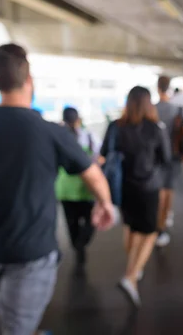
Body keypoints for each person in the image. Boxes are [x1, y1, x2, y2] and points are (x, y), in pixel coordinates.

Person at [0, 43, 115, 335]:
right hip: (30, 249)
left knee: (9, 306)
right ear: (29, 80)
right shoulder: (49, 130)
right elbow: (93, 174)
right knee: (17, 325)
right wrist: (105, 204)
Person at [102, 86, 171, 306]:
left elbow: (105, 152)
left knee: (131, 227)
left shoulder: (115, 126)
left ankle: (132, 268)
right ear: (148, 103)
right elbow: (166, 158)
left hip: (123, 186)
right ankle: (131, 276)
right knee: (150, 231)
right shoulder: (155, 127)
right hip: (149, 186)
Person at [55, 107, 102, 275]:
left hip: (65, 189)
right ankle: (82, 242)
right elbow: (98, 158)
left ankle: (77, 246)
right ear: (78, 119)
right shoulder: (89, 136)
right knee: (90, 219)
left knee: (71, 221)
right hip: (86, 187)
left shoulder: (58, 138)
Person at [155, 76, 183, 247]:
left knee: (159, 189)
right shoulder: (176, 109)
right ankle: (165, 218)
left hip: (155, 157)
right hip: (173, 155)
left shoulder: (151, 109)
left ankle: (160, 224)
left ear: (158, 88)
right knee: (169, 188)